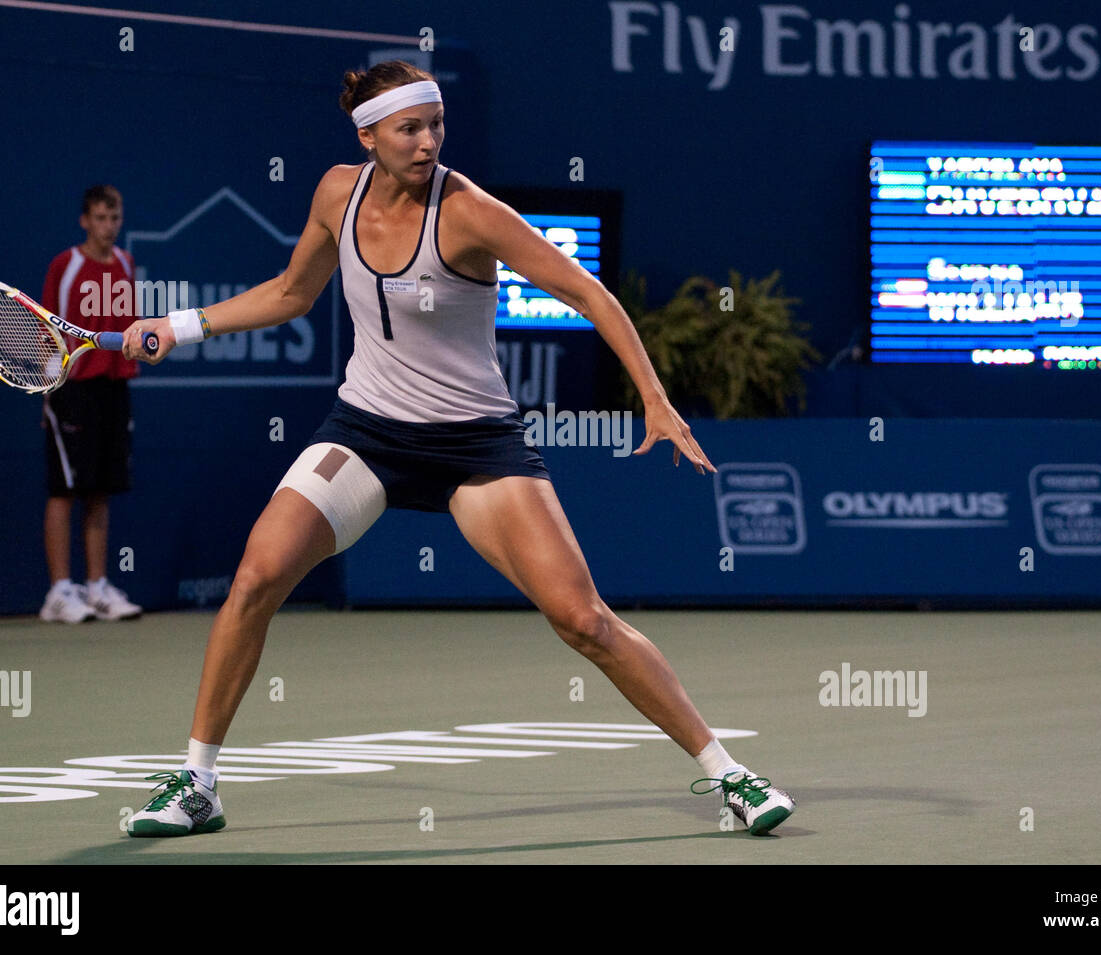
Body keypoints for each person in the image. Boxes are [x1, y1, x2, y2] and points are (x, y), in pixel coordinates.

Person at [121, 61, 793, 837]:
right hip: (366, 432)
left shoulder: (472, 212)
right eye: (410, 127)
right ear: (368, 135)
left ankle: (729, 773)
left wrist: (654, 397)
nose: (429, 140)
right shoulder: (337, 192)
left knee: (583, 620)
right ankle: (200, 781)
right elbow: (289, 293)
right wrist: (181, 325)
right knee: (257, 575)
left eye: (437, 123)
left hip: (477, 446)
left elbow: (588, 293)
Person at [38, 185, 144, 624]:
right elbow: (45, 327)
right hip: (71, 388)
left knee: (100, 490)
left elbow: (125, 329)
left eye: (114, 218)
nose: (107, 227)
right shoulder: (67, 265)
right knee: (65, 490)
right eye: (99, 218)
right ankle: (60, 592)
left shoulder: (124, 263)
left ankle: (97, 586)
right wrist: (49, 387)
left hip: (113, 387)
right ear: (85, 220)